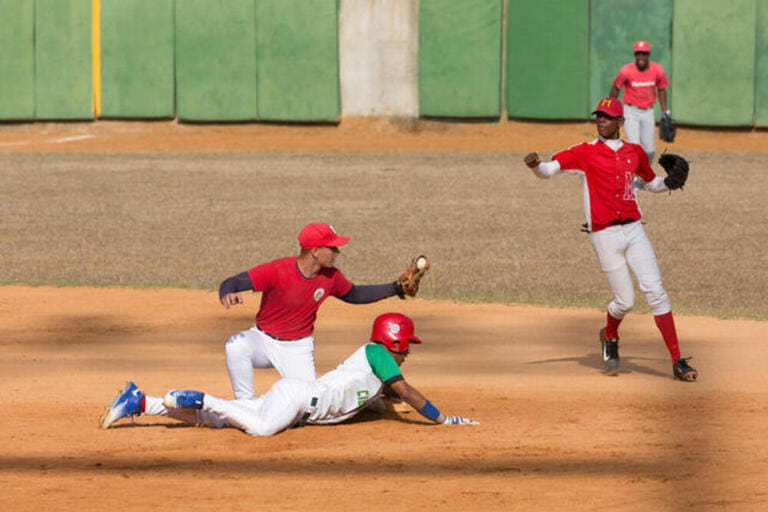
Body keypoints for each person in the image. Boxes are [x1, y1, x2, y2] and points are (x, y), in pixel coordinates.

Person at [522, 97, 698, 382]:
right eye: (598, 116)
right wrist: (535, 166)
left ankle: (678, 360)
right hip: (604, 235)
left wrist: (669, 183)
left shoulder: (635, 152)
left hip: (634, 229)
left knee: (655, 291)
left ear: (620, 122)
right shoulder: (583, 152)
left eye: (607, 116)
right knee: (625, 301)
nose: (601, 120)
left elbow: (651, 183)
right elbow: (548, 171)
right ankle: (609, 333)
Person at [99, 313, 479, 435]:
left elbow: (384, 398)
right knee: (260, 430)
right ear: (391, 341)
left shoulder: (375, 370)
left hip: (298, 399)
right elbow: (409, 393)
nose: (409, 348)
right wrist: (445, 419)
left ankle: (141, 401)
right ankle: (200, 397)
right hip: (299, 399)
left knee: (218, 424)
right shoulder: (378, 355)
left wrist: (387, 401)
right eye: (406, 342)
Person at [218, 222, 419, 400]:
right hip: (262, 340)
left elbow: (354, 294)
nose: (337, 253)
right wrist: (227, 292)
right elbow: (234, 281)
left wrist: (395, 288)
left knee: (309, 403)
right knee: (236, 346)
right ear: (315, 251)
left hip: (297, 348)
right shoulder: (277, 270)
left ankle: (377, 397)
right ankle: (244, 403)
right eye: (332, 248)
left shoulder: (331, 277)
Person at [609, 40, 670, 161]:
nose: (641, 56)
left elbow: (662, 90)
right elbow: (616, 88)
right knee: (634, 146)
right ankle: (634, 177)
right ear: (635, 54)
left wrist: (665, 112)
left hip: (648, 112)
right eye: (638, 53)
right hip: (630, 111)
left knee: (649, 150)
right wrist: (610, 110)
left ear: (648, 54)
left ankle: (643, 177)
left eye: (644, 53)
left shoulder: (657, 70)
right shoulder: (626, 71)